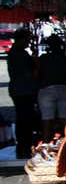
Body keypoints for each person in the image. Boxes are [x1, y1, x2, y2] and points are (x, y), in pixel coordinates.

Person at [36, 35, 66, 141]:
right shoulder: (65, 58)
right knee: (65, 122)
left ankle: (45, 145)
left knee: (47, 121)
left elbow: (36, 74)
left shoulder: (43, 58)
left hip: (47, 90)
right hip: (64, 89)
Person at [8, 29, 37, 158]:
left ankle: (24, 144)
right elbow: (29, 74)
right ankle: (24, 145)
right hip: (23, 90)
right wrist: (37, 65)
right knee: (24, 118)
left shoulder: (19, 53)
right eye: (27, 40)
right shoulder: (18, 54)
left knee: (23, 118)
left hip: (20, 90)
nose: (28, 43)